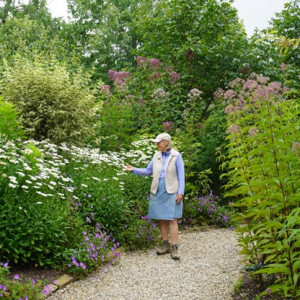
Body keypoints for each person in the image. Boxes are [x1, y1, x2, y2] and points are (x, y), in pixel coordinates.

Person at [124, 133, 185, 260]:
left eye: (159, 142)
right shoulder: (156, 156)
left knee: (173, 219)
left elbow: (181, 175)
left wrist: (181, 192)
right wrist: (133, 169)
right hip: (158, 190)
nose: (157, 145)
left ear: (166, 142)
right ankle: (165, 244)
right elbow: (148, 171)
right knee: (162, 219)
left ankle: (174, 247)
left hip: (172, 190)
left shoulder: (176, 156)